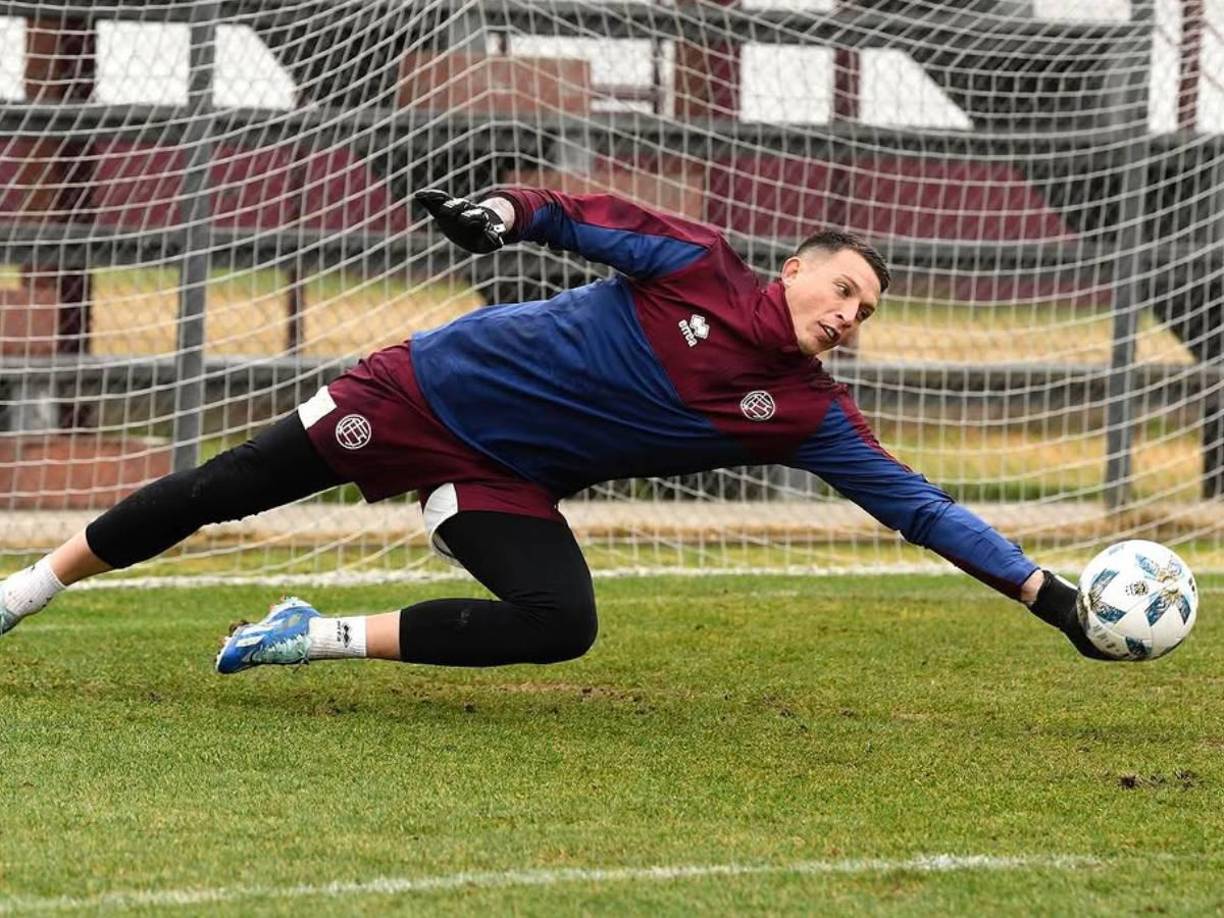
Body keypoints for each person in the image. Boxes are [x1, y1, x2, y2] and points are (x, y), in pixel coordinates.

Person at [0, 187, 1106, 670]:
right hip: (417, 397)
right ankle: (25, 590)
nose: (851, 315)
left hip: (505, 481)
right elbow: (576, 218)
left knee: (559, 621)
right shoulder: (700, 264)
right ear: (799, 269)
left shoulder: (811, 415)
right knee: (219, 491)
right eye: (846, 289)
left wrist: (1048, 598)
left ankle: (309, 634)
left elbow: (917, 506)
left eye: (866, 312)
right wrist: (499, 215)